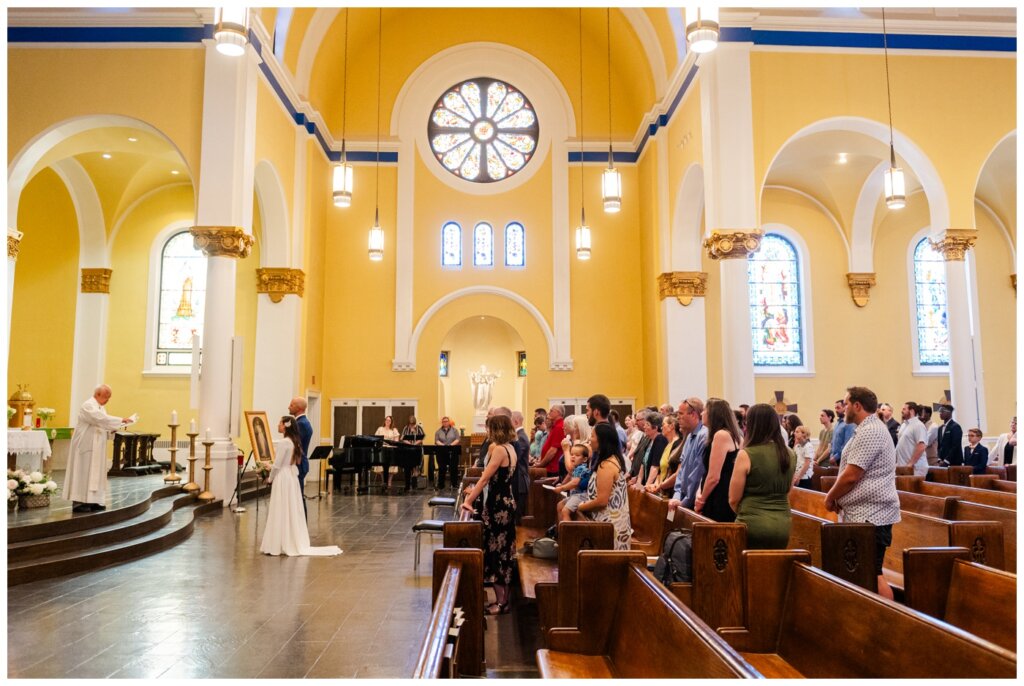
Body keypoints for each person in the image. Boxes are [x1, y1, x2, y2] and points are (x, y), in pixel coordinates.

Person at [824, 386, 901, 600]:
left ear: (857, 406)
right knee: (865, 572)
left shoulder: (871, 431)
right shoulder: (865, 429)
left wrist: (830, 498)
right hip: (864, 515)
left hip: (873, 516)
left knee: (872, 573)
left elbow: (851, 475)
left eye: (846, 404)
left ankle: (890, 618)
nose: (843, 409)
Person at [260, 415, 341, 557]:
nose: (277, 425)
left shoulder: (284, 442)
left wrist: (270, 478)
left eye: (279, 423)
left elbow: (278, 465)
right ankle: (288, 540)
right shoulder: (294, 442)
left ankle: (279, 543)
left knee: (280, 507)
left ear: (285, 426)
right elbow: (290, 462)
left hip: (282, 478)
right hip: (290, 477)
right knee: (289, 508)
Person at [461, 414, 518, 614]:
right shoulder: (511, 448)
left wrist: (468, 501)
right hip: (507, 502)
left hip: (498, 507)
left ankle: (501, 603)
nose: (487, 433)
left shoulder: (501, 450)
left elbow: (485, 479)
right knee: (505, 550)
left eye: (489, 429)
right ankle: (504, 600)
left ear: (496, 430)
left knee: (496, 550)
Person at [729, 403, 796, 549]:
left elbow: (733, 499)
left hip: (752, 524)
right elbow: (789, 491)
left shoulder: (746, 454)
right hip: (782, 524)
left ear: (752, 425)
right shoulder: (790, 453)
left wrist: (750, 512)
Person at [65, 385, 134, 513]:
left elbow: (103, 424)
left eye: (109, 398)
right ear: (97, 394)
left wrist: (112, 429)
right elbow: (99, 419)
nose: (108, 400)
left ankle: (94, 500)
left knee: (97, 473)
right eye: (106, 397)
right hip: (86, 445)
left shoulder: (101, 407)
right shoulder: (88, 405)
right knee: (84, 472)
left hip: (97, 445)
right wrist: (121, 420)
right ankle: (80, 502)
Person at [577, 422, 631, 550]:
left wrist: (581, 506)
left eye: (593, 436)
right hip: (607, 524)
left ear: (602, 440)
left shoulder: (607, 465)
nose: (590, 439)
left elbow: (602, 501)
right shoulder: (610, 460)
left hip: (610, 527)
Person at [695, 398, 742, 522]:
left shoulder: (721, 435)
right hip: (721, 492)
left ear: (713, 413)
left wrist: (701, 499)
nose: (701, 413)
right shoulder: (730, 434)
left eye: (704, 410)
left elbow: (713, 477)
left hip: (719, 496)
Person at [668, 397, 708, 512]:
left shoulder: (703, 435)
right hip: (683, 501)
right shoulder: (689, 436)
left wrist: (684, 502)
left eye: (681, 414)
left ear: (694, 415)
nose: (678, 418)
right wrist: (676, 497)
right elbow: (682, 471)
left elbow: (697, 474)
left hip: (694, 504)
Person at [645, 414, 683, 495]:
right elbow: (660, 471)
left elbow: (674, 472)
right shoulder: (668, 444)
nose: (661, 427)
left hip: (669, 491)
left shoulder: (678, 444)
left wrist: (660, 486)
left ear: (671, 426)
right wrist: (654, 485)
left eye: (663, 425)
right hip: (661, 490)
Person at [554, 443, 592, 523]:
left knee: (565, 511)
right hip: (576, 495)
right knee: (560, 505)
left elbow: (575, 483)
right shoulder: (577, 468)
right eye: (572, 454)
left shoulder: (581, 468)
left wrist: (561, 488)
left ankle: (567, 532)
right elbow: (570, 477)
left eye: (577, 455)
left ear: (585, 459)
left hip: (581, 496)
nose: (573, 457)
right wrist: (562, 484)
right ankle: (560, 530)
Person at [289, 397, 313, 519]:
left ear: (298, 408)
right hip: (301, 462)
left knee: (298, 496)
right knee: (298, 495)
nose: (289, 407)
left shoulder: (300, 424)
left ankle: (301, 523)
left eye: (291, 405)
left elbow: (296, 445)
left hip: (299, 463)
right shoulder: (304, 422)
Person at [630, 412, 666, 488]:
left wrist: (647, 486)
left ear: (655, 428)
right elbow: (643, 464)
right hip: (646, 481)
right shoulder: (649, 439)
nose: (644, 426)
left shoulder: (660, 440)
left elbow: (655, 467)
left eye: (648, 425)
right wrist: (638, 484)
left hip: (654, 485)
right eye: (645, 424)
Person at [895, 401, 928, 477]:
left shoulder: (918, 425)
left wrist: (911, 463)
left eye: (904, 409)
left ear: (911, 411)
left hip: (915, 468)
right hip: (903, 466)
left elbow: (921, 446)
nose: (901, 411)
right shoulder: (904, 425)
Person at [535, 404, 565, 477]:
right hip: (551, 467)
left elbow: (553, 451)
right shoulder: (555, 427)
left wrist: (541, 464)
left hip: (554, 468)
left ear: (558, 413)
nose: (549, 413)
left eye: (551, 411)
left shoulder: (559, 427)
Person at [511, 411, 531, 521]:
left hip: (520, 479)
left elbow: (515, 458)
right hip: (517, 478)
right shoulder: (518, 435)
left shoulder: (521, 437)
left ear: (516, 421)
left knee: (518, 514)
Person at [434, 416, 461, 490]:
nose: (445, 422)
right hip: (442, 452)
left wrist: (450, 445)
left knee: (453, 468)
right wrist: (443, 446)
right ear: (442, 423)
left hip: (453, 451)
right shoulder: (438, 431)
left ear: (449, 422)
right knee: (442, 468)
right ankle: (441, 485)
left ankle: (454, 484)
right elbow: (436, 441)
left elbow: (457, 439)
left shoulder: (455, 430)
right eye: (443, 421)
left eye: (446, 421)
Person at [830, 398, 855, 464]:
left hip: (843, 458)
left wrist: (836, 457)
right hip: (834, 458)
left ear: (844, 408)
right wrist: (831, 455)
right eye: (835, 408)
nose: (836, 410)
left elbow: (847, 443)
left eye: (838, 408)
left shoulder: (849, 424)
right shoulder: (837, 424)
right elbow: (833, 442)